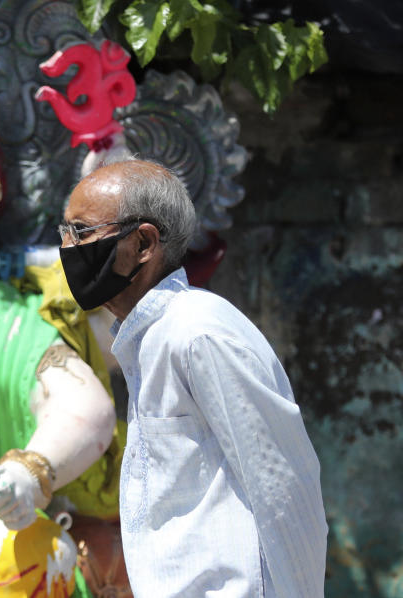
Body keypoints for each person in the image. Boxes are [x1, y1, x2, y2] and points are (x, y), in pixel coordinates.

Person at [58, 159, 327, 597]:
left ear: (143, 242)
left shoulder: (198, 333)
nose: (68, 248)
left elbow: (283, 486)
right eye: (64, 233)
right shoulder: (151, 338)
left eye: (83, 233)